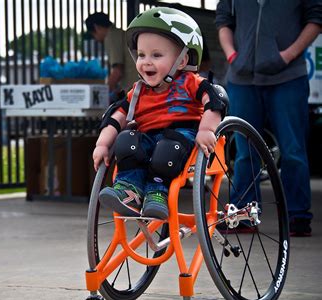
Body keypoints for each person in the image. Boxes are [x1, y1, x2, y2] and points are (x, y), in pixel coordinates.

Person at [92, 7, 228, 219]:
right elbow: (116, 116)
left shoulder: (191, 83)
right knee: (126, 139)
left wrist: (207, 129)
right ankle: (130, 189)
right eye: (142, 55)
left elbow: (215, 101)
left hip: (182, 138)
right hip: (150, 138)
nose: (146, 61)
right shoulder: (138, 91)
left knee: (166, 148)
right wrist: (102, 144)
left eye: (156, 55)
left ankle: (157, 193)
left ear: (182, 61)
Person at [216, 0, 321, 236]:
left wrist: (287, 55)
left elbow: (316, 18)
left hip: (288, 76)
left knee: (293, 150)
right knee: (245, 152)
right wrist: (233, 56)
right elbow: (223, 19)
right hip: (242, 78)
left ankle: (298, 216)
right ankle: (244, 215)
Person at [84, 12, 139, 102]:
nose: (95, 39)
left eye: (93, 35)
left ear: (96, 27)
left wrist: (103, 94)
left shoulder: (111, 37)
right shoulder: (120, 33)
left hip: (133, 91)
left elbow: (117, 71)